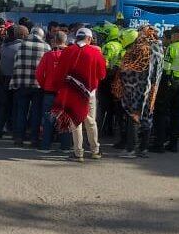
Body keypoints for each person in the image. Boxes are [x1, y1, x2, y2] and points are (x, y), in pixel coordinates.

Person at [50, 27, 107, 162]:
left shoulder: (68, 51)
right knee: (90, 121)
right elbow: (102, 74)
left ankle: (78, 152)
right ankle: (95, 150)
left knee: (75, 121)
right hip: (90, 93)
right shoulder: (95, 53)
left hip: (71, 92)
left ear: (77, 37)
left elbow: (59, 72)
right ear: (89, 38)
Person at [113, 25, 163, 158]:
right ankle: (143, 149)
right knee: (147, 115)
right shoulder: (159, 48)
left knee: (134, 115)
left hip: (137, 88)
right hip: (152, 88)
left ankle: (130, 149)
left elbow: (127, 68)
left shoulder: (139, 48)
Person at [9, 26, 50, 147]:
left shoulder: (21, 45)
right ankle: (34, 139)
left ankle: (19, 138)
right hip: (38, 85)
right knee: (36, 113)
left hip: (21, 83)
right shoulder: (46, 47)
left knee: (21, 111)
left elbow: (16, 64)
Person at [35, 31, 70, 152]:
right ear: (65, 40)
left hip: (49, 92)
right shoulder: (70, 55)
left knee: (48, 120)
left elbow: (39, 73)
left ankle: (45, 146)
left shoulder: (48, 55)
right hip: (65, 92)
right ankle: (65, 146)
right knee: (64, 119)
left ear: (55, 40)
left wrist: (45, 85)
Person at [0, 25, 26, 138]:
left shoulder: (2, 45)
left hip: (3, 79)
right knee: (16, 106)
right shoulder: (21, 46)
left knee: (4, 106)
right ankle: (12, 130)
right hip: (16, 79)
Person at [94, 23, 123, 140]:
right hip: (116, 79)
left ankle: (100, 131)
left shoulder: (108, 46)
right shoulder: (121, 45)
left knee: (102, 107)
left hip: (107, 78)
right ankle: (111, 129)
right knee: (114, 107)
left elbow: (104, 64)